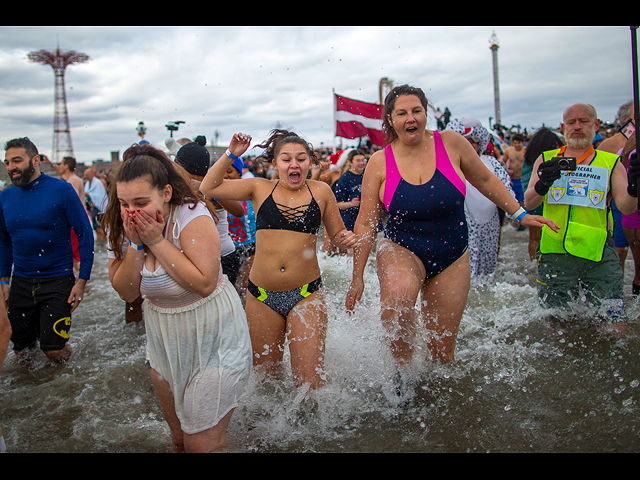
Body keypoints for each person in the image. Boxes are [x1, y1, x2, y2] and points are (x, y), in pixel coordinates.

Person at [345, 85, 556, 372]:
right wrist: (357, 276)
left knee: (442, 354)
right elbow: (367, 222)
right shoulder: (380, 162)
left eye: (417, 111)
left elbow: (485, 180)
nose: (411, 119)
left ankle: (437, 398)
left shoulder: (451, 143)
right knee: (398, 296)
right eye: (402, 113)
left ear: (425, 114)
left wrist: (520, 213)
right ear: (390, 120)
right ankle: (401, 376)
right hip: (401, 247)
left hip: (452, 254)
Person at [104, 143, 251, 453]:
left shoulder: (192, 212)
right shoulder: (122, 225)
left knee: (201, 444)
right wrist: (136, 245)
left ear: (166, 193)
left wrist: (155, 240)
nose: (132, 212)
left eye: (142, 201)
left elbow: (205, 282)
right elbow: (128, 292)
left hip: (216, 337)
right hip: (165, 342)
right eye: (124, 203)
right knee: (180, 441)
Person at [199, 129, 357, 390]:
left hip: (307, 294)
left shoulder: (322, 191)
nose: (294, 164)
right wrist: (231, 154)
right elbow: (208, 187)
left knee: (309, 385)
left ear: (310, 162)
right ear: (275, 164)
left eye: (301, 158)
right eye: (286, 159)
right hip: (261, 296)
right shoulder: (259, 187)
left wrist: (346, 238)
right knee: (265, 383)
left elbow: (336, 233)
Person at [524, 103, 638, 331]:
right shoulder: (546, 159)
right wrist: (543, 184)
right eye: (571, 122)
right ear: (562, 127)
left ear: (596, 125)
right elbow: (529, 202)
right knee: (557, 325)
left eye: (584, 121)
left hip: (599, 255)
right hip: (555, 253)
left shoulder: (610, 162)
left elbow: (625, 208)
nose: (577, 127)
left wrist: (634, 188)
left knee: (616, 323)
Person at [0, 137, 94, 362]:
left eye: (16, 161)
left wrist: (82, 281)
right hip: (21, 282)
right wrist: (4, 279)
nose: (11, 167)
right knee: (22, 352)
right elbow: (4, 241)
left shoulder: (61, 190)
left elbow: (85, 234)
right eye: (7, 162)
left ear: (35, 160)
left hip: (58, 281)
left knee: (53, 351)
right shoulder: (5, 197)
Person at [446, 119, 515, 278]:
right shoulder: (451, 163)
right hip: (463, 221)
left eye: (474, 142)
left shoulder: (491, 162)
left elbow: (505, 186)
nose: (470, 145)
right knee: (464, 266)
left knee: (488, 265)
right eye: (465, 142)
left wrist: (516, 212)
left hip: (490, 222)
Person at [520, 127, 564, 260]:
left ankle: (534, 263)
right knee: (554, 232)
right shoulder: (554, 157)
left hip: (534, 200)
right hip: (551, 201)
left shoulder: (529, 159)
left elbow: (525, 181)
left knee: (534, 236)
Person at [223, 156, 257, 298]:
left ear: (239, 173)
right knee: (231, 289)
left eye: (229, 171)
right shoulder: (216, 194)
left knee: (246, 287)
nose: (225, 175)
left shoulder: (250, 191)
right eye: (222, 171)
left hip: (251, 246)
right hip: (229, 250)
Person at [84, 166, 108, 241]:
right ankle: (99, 242)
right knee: (96, 228)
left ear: (92, 174)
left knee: (101, 228)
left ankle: (103, 244)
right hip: (92, 208)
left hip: (99, 208)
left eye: (86, 175)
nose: (85, 177)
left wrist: (87, 194)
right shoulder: (87, 183)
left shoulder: (98, 183)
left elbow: (100, 196)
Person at [504, 133, 526, 206]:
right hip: (513, 179)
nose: (517, 145)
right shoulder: (509, 150)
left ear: (523, 142)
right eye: (515, 143)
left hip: (522, 179)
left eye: (519, 143)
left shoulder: (526, 151)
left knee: (522, 200)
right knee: (513, 200)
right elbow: (502, 164)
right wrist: (507, 171)